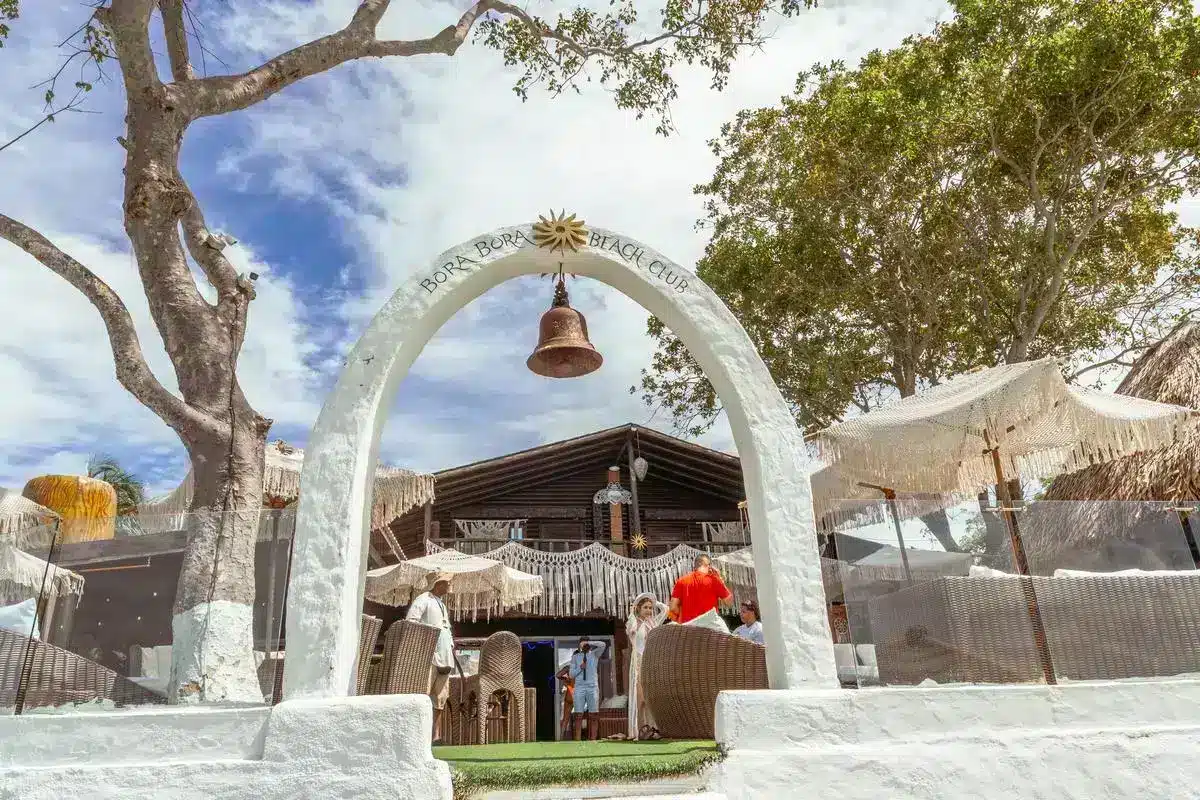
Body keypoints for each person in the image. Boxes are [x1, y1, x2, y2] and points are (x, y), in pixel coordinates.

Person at [405, 571, 454, 742]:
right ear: (437, 584)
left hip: (445, 655)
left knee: (440, 696)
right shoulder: (423, 599)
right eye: (446, 582)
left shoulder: (442, 605)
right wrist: (422, 643)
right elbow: (411, 621)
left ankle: (435, 734)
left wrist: (451, 645)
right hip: (429, 655)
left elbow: (446, 628)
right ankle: (421, 733)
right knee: (424, 692)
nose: (449, 585)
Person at [625, 592, 667, 740]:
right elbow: (631, 631)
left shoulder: (653, 623)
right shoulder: (633, 622)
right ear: (639, 608)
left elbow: (666, 610)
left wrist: (656, 603)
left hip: (651, 661)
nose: (649, 610)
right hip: (638, 661)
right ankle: (639, 729)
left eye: (650, 608)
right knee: (640, 698)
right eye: (645, 607)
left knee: (651, 698)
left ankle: (652, 729)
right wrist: (633, 610)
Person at [669, 553, 733, 624]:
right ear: (708, 566)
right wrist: (720, 579)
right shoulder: (714, 580)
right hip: (709, 625)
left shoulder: (681, 581)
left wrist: (684, 615)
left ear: (695, 566)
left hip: (688, 626)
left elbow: (673, 607)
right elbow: (729, 602)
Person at [567, 635, 607, 740]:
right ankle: (578, 739)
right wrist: (580, 668)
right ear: (579, 645)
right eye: (583, 643)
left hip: (592, 687)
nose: (585, 645)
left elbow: (603, 645)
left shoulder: (594, 654)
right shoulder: (575, 657)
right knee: (578, 715)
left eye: (586, 643)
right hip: (579, 687)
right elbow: (571, 675)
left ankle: (593, 739)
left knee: (593, 714)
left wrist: (590, 642)